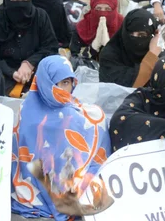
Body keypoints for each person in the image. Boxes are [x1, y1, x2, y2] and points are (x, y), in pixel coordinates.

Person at [11, 55, 112, 220]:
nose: (60, 89)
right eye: (53, 84)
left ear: (73, 83)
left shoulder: (85, 115)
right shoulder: (26, 112)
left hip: (74, 188)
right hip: (34, 192)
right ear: (42, 83)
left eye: (65, 83)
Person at [0, 0, 59, 96]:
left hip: (35, 68)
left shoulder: (40, 17)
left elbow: (50, 47)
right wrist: (11, 72)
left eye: (24, 0)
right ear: (7, 1)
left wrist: (29, 63)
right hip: (4, 72)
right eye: (15, 1)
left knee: (56, 67)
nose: (20, 5)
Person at [99, 8, 159, 87]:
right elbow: (130, 86)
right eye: (130, 34)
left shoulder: (158, 52)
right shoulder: (109, 55)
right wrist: (151, 58)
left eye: (141, 35)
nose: (135, 38)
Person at [71, 0, 123, 64]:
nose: (103, 13)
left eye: (107, 9)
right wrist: (94, 45)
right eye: (98, 8)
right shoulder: (82, 28)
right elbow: (75, 60)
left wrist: (108, 45)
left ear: (114, 9)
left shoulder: (123, 27)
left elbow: (128, 60)